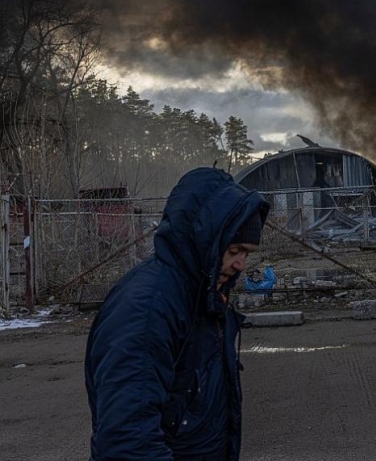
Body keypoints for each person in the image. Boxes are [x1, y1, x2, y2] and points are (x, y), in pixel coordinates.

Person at [85, 167, 270, 460]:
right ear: (204, 239)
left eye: (247, 253)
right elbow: (129, 442)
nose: (241, 264)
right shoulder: (147, 309)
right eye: (234, 250)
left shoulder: (202, 296)